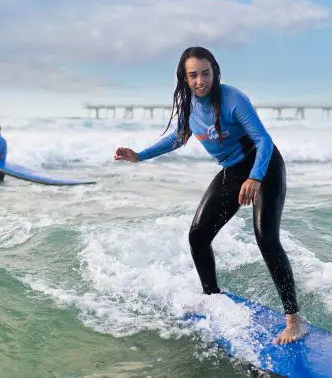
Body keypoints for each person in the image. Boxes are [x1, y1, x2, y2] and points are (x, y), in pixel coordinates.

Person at [114, 46, 304, 345]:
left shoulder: (233, 99)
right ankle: (212, 297)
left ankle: (293, 319)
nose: (200, 80)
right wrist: (140, 155)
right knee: (198, 235)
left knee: (266, 237)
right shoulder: (189, 104)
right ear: (185, 78)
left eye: (205, 73)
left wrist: (255, 177)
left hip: (263, 166)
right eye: (193, 75)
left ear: (214, 72)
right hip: (232, 170)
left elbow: (263, 140)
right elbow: (178, 137)